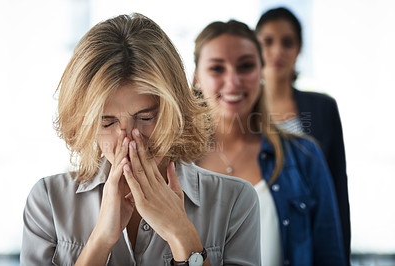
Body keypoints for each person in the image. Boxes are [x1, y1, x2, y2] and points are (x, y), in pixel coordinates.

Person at [20, 13, 261, 266]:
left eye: (146, 117)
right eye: (107, 122)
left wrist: (182, 236)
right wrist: (101, 240)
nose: (129, 141)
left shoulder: (236, 201)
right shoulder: (48, 201)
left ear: (175, 111)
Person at [193, 19, 346, 266]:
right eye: (217, 69)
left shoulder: (305, 157)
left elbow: (330, 257)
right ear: (196, 77)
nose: (233, 82)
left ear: (261, 71)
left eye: (245, 66)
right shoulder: (174, 163)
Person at [255, 7, 351, 263]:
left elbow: (337, 188)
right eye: (268, 41)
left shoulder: (322, 108)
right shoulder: (241, 108)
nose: (277, 51)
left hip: (308, 238)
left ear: (298, 50)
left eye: (287, 42)